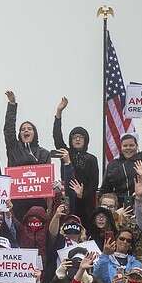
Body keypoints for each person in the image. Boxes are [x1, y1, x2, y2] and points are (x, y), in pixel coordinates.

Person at [53, 97, 99, 229]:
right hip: (67, 200)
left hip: (85, 202)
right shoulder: (66, 153)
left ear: (86, 140)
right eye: (74, 137)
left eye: (81, 137)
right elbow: (57, 136)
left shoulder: (92, 158)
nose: (77, 139)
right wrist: (59, 112)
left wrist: (82, 195)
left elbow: (94, 184)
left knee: (84, 229)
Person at [4, 91, 51, 219]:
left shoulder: (44, 153)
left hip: (38, 203)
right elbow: (8, 130)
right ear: (19, 134)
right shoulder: (14, 149)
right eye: (23, 129)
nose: (26, 130)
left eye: (29, 129)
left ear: (34, 133)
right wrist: (12, 105)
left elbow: (46, 178)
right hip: (18, 202)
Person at [100, 132, 142, 207]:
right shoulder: (113, 165)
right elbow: (105, 190)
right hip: (119, 207)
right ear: (121, 147)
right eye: (125, 146)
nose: (128, 148)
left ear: (137, 146)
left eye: (131, 145)